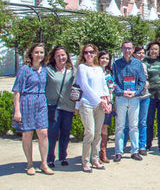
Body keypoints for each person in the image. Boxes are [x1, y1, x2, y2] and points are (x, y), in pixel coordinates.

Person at [12, 43, 52, 175]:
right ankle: (29, 164)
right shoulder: (25, 69)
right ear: (31, 54)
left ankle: (44, 163)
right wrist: (17, 110)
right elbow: (17, 90)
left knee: (43, 133)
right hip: (27, 102)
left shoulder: (45, 69)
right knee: (27, 134)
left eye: (41, 52)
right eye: (36, 52)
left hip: (41, 102)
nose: (39, 55)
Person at [75, 43, 112, 172]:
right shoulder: (82, 68)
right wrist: (98, 101)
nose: (89, 54)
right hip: (87, 104)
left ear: (95, 53)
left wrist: (107, 101)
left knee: (98, 133)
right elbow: (84, 86)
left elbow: (104, 86)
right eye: (86, 52)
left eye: (91, 52)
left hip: (100, 105)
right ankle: (85, 161)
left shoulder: (98, 69)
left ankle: (95, 159)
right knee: (89, 133)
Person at [112, 40, 146, 162]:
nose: (127, 51)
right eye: (125, 48)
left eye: (130, 48)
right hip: (121, 97)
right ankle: (118, 152)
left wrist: (135, 92)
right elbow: (113, 82)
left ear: (132, 50)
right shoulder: (116, 64)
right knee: (120, 126)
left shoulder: (138, 64)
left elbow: (142, 81)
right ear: (121, 49)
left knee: (134, 126)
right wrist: (122, 92)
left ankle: (134, 151)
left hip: (134, 98)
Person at [45, 45, 76, 168]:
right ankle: (50, 158)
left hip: (68, 107)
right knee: (52, 133)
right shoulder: (48, 70)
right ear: (53, 57)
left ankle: (63, 157)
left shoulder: (72, 72)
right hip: (54, 106)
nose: (61, 57)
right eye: (58, 55)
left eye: (63, 55)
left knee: (65, 133)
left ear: (67, 56)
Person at [144, 41, 160, 152]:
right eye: (152, 49)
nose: (154, 51)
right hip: (150, 96)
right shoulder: (144, 62)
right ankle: (148, 144)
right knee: (149, 121)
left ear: (159, 52)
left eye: (156, 49)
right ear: (149, 50)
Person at [133, 46, 151, 155]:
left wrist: (146, 83)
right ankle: (127, 144)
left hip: (145, 96)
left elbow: (146, 78)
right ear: (134, 54)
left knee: (143, 122)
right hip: (133, 97)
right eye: (139, 53)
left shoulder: (144, 65)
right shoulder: (130, 64)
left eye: (143, 53)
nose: (141, 55)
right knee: (131, 123)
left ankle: (141, 145)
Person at [98, 50, 115, 163]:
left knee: (104, 127)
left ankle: (103, 152)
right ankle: (93, 153)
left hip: (108, 103)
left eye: (107, 58)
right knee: (95, 128)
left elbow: (112, 87)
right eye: (102, 58)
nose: (104, 60)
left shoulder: (109, 73)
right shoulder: (94, 71)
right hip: (97, 103)